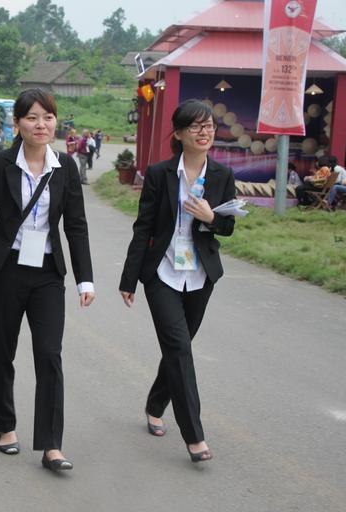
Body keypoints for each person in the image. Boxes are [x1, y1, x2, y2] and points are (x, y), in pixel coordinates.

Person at [0, 88, 95, 472]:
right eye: (32, 117)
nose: (41, 124)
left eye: (47, 117)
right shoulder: (0, 164)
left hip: (48, 273)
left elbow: (76, 226)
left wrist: (85, 279)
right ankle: (5, 425)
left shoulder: (65, 167)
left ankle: (51, 445)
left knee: (49, 354)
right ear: (17, 123)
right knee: (3, 351)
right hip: (6, 270)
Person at [118, 99, 236, 463]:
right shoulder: (160, 174)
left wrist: (210, 216)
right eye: (196, 127)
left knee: (177, 349)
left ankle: (155, 405)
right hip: (163, 274)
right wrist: (129, 278)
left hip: (200, 276)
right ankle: (195, 437)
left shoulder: (222, 176)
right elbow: (143, 228)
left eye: (209, 126)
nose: (205, 132)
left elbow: (228, 226)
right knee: (181, 350)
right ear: (180, 133)